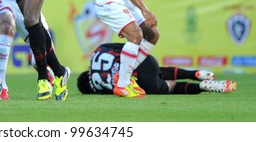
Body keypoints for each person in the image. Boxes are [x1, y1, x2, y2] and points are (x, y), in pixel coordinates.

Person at [77, 43, 237, 95]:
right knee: (155, 69)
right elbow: (127, 47)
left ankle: (201, 86)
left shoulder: (96, 88)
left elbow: (114, 90)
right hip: (145, 62)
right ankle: (195, 73)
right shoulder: (100, 49)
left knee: (169, 86)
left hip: (144, 84)